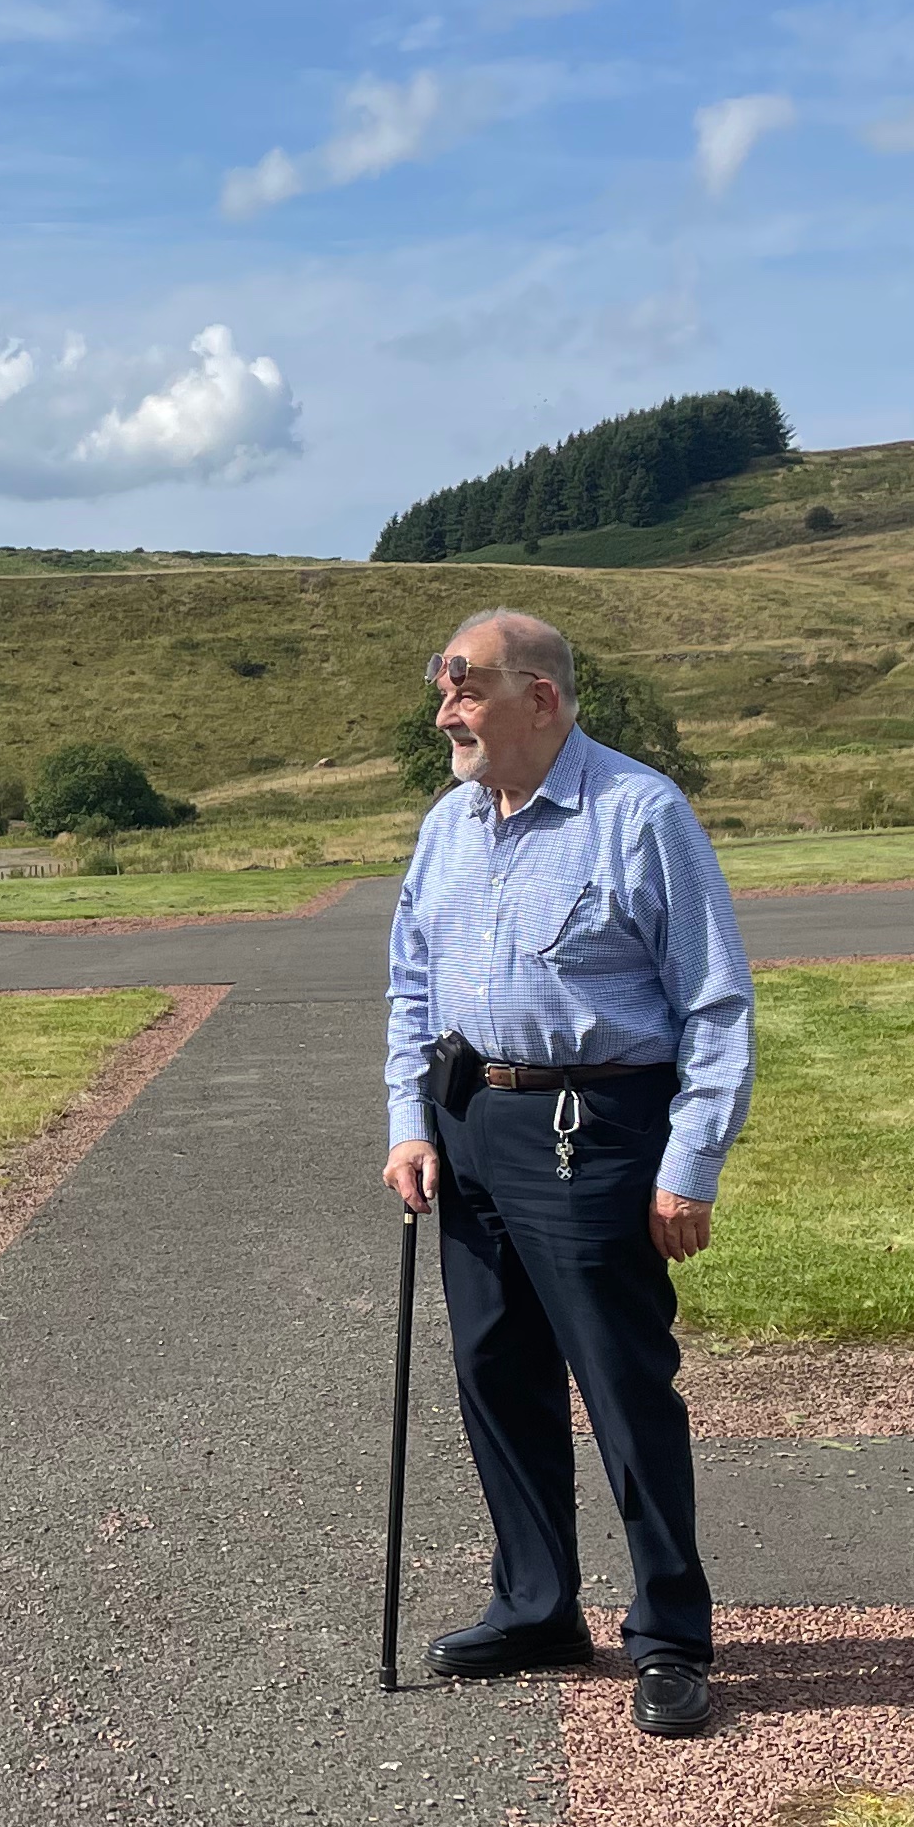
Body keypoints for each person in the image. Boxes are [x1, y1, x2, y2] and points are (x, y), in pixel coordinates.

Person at [380, 611, 752, 1738]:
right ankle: (537, 1606)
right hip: (470, 1122)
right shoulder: (447, 827)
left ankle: (671, 1634)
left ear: (539, 697)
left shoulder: (640, 814)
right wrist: (411, 1120)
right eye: (442, 689)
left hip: (595, 1126)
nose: (446, 712)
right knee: (496, 1374)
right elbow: (410, 986)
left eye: (466, 688)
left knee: (624, 1386)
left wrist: (689, 1165)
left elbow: (715, 1002)